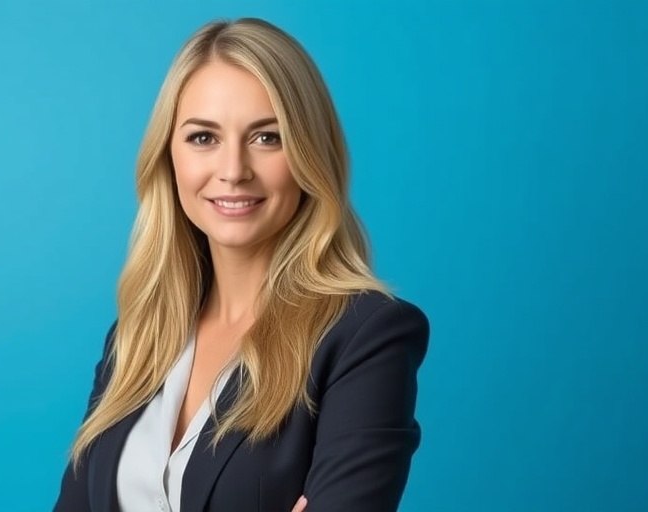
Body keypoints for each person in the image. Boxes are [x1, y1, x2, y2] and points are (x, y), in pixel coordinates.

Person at [52, 17, 429, 512]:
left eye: (267, 137)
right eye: (203, 138)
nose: (233, 171)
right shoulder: (136, 338)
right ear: (169, 157)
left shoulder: (366, 336)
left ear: (309, 155)